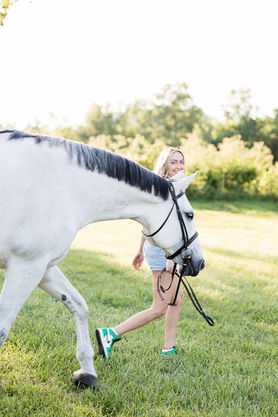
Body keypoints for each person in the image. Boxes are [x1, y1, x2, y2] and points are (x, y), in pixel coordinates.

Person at [96, 147, 185, 359]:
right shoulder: (166, 188)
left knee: (177, 299)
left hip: (164, 250)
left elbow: (149, 223)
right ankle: (110, 333)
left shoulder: (169, 186)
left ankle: (168, 349)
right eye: (174, 162)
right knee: (159, 307)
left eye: (181, 162)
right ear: (165, 164)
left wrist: (140, 250)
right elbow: (161, 228)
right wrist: (169, 257)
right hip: (165, 252)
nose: (179, 166)